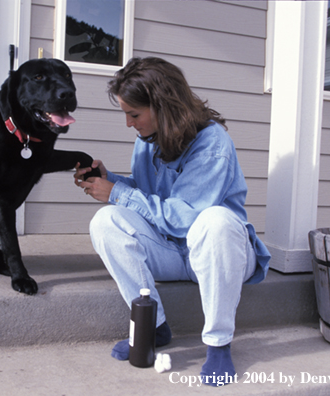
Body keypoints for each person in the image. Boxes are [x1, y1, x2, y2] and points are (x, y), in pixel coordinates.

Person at [74, 57, 270, 386]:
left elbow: (185, 218)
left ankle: (219, 345)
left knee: (216, 220)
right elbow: (153, 195)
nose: (128, 124)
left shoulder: (212, 144)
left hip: (218, 252)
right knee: (105, 220)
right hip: (172, 252)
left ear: (163, 106)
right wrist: (113, 182)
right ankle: (153, 327)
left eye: (133, 114)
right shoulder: (147, 140)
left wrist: (118, 193)